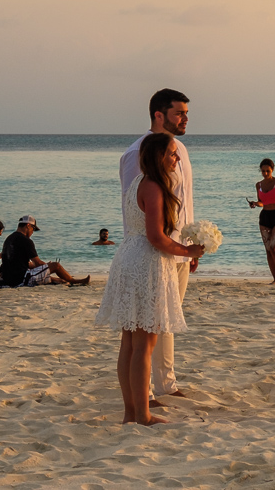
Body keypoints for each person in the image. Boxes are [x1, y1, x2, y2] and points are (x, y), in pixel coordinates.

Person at [96, 133, 205, 425]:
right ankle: (142, 414)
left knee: (130, 342)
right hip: (147, 261)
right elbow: (156, 237)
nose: (177, 158)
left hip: (128, 256)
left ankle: (131, 412)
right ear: (158, 157)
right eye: (172, 154)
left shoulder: (136, 183)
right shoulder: (154, 186)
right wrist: (188, 250)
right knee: (144, 343)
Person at [119, 88, 195, 404]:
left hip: (179, 248)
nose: (186, 119)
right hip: (153, 252)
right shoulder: (137, 154)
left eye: (187, 113)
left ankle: (166, 382)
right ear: (158, 115)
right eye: (179, 113)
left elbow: (184, 202)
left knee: (169, 320)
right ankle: (144, 391)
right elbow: (137, 206)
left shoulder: (181, 151)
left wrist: (191, 245)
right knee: (146, 326)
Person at [0, 216, 91, 287]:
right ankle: (73, 281)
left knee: (45, 271)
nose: (32, 232)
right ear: (28, 225)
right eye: (33, 229)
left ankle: (61, 279)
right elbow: (37, 263)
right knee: (56, 265)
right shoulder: (26, 240)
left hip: (9, 278)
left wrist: (45, 267)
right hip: (21, 279)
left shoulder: (9, 239)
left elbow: (22, 263)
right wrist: (48, 266)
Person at [249, 158, 275, 284]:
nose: (265, 173)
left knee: (274, 246)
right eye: (263, 171)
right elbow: (262, 202)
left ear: (272, 170)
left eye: (268, 171)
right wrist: (256, 203)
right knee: (268, 249)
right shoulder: (259, 185)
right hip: (265, 217)